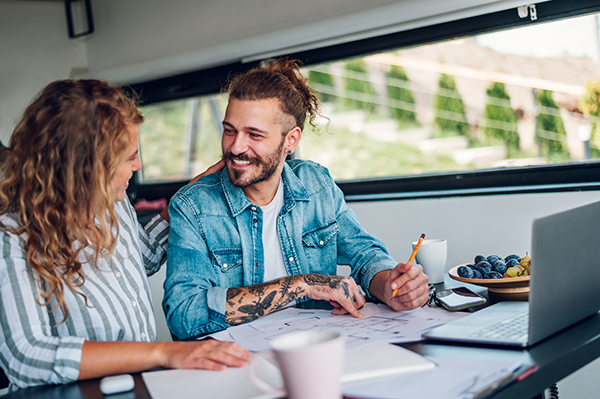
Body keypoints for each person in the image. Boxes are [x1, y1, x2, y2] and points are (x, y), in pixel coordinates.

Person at [0, 80, 250, 390]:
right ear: (84, 167)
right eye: (128, 157)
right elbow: (27, 356)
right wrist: (163, 352)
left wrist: (184, 201)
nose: (138, 164)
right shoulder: (12, 237)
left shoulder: (112, 205)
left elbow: (139, 260)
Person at [164, 59, 430, 340]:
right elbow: (184, 315)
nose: (235, 146)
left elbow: (366, 255)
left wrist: (389, 285)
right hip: (240, 362)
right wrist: (301, 285)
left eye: (254, 134)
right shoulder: (193, 207)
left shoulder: (317, 184)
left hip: (319, 348)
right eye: (230, 130)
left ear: (291, 140)